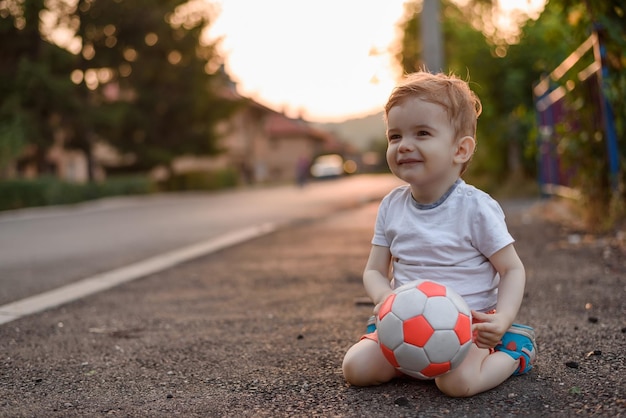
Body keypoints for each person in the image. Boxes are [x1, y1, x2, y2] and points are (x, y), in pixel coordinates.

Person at [341, 71, 537, 397]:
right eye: (395, 136)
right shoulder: (392, 206)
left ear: (460, 149)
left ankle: (514, 352)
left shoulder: (476, 208)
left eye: (422, 133)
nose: (404, 146)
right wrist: (384, 298)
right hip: (403, 321)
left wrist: (501, 318)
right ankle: (413, 360)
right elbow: (375, 270)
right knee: (356, 368)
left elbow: (511, 269)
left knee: (457, 384)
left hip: (468, 326)